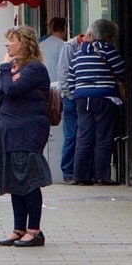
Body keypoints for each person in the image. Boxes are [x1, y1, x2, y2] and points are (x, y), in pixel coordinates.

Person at [0, 25, 54, 247]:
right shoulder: (14, 68)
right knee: (15, 180)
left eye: (12, 40)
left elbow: (12, 90)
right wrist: (8, 76)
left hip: (27, 131)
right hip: (9, 131)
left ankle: (34, 230)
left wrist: (6, 69)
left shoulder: (34, 69)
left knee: (28, 178)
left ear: (24, 43)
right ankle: (19, 228)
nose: (7, 44)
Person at [65, 19, 126, 186]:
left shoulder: (78, 54)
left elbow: (71, 80)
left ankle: (80, 176)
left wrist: (79, 93)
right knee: (103, 137)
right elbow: (121, 71)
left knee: (83, 136)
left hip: (82, 98)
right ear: (107, 37)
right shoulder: (108, 50)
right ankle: (102, 175)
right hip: (104, 98)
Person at [40, 16, 74, 179]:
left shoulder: (41, 44)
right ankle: (66, 170)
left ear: (51, 27)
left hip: (43, 90)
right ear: (65, 29)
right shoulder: (64, 46)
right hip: (59, 92)